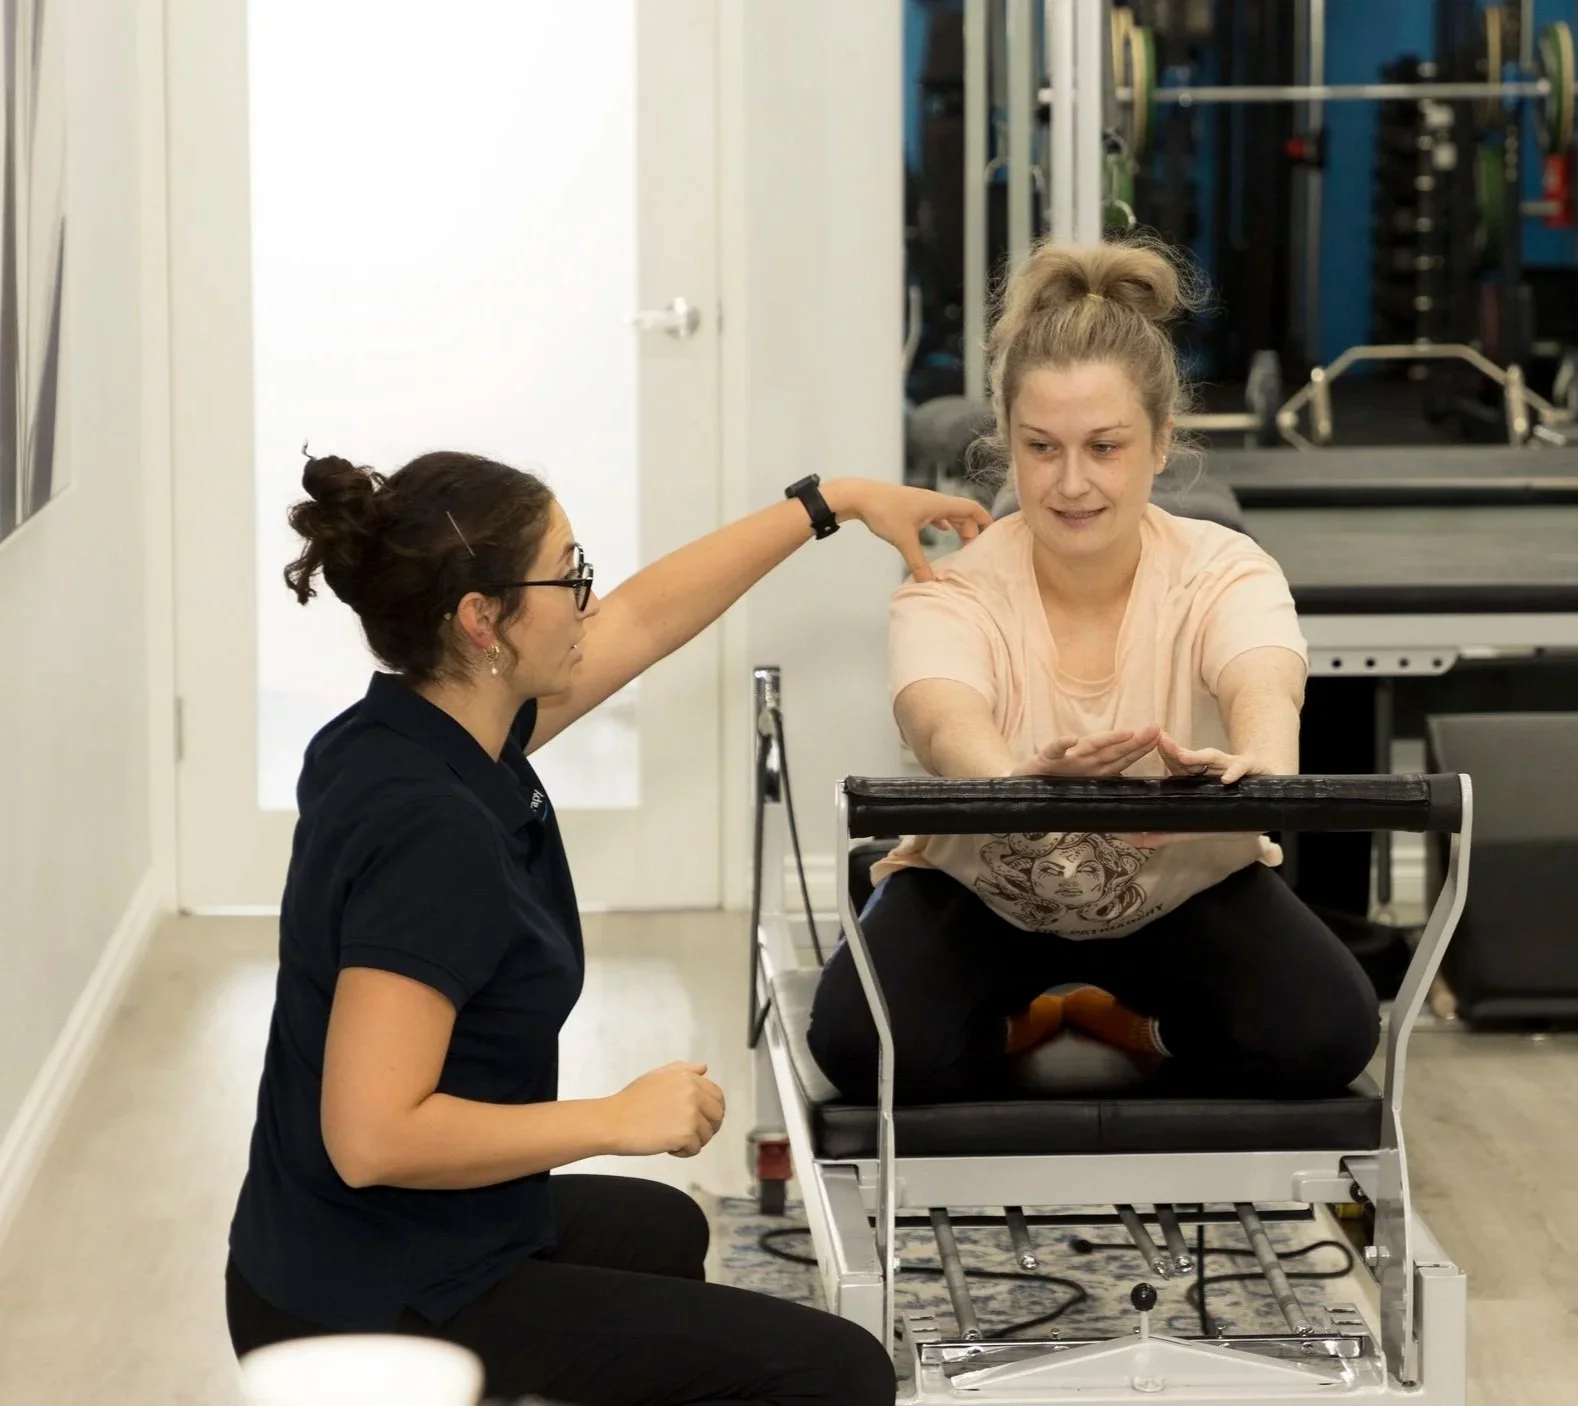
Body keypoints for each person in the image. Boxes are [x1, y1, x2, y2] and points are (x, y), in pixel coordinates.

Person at [225, 447, 989, 1405]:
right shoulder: (432, 831)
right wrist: (613, 1121)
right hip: (364, 1295)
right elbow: (371, 1136)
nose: (590, 600)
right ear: (482, 621)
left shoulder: (418, 732)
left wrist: (830, 503)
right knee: (836, 1374)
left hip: (349, 1238)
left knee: (661, 1232)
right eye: (568, 574)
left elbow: (642, 617)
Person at [807, 240, 1379, 1106]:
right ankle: (1032, 1016)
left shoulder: (1226, 569)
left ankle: (1125, 1018)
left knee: (1325, 1036)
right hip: (981, 890)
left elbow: (1264, 679)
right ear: (1006, 442)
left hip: (1180, 889)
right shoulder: (951, 586)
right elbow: (939, 714)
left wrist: (1255, 772)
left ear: (1161, 444)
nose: (1072, 483)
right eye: (1043, 448)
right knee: (865, 1048)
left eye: (1105, 448)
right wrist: (1018, 787)